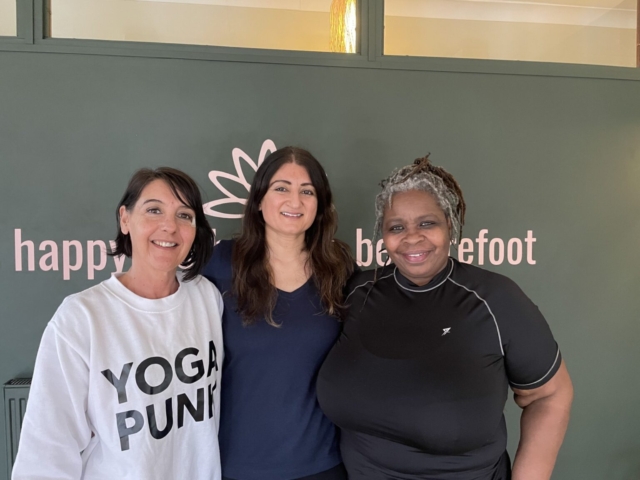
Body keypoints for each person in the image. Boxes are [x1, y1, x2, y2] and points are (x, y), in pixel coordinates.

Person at [317, 155, 574, 480]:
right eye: (396, 227)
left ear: (450, 224)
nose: (412, 237)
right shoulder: (357, 292)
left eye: (427, 223)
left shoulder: (496, 300)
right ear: (382, 235)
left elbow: (549, 394)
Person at [12, 167, 224, 480]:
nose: (169, 226)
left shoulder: (206, 297)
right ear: (125, 219)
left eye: (184, 215)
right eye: (154, 210)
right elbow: (47, 451)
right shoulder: (81, 318)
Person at [203, 146, 354, 480]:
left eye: (307, 191)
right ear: (259, 199)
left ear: (320, 204)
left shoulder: (339, 268)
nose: (295, 201)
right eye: (281, 188)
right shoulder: (220, 263)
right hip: (238, 465)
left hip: (323, 464)